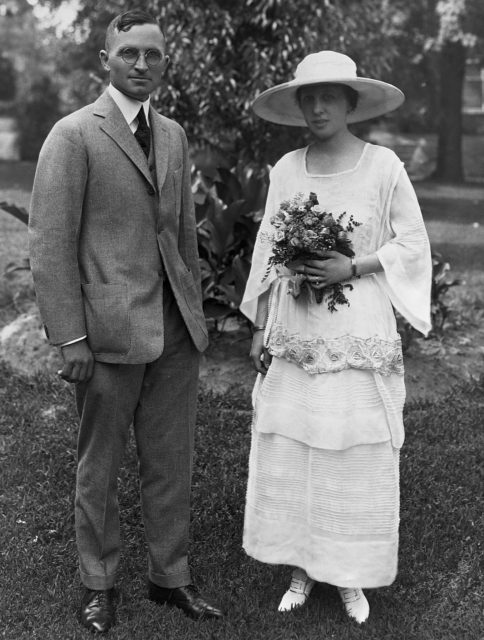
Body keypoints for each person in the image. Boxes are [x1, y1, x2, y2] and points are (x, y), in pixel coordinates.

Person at [28, 9, 223, 633]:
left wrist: (194, 314)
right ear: (105, 62)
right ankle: (100, 583)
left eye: (153, 55)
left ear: (165, 63)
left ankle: (171, 578)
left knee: (171, 461)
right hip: (107, 333)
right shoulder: (73, 135)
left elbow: (184, 236)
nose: (142, 65)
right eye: (129, 54)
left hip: (172, 329)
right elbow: (51, 244)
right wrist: (71, 337)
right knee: (101, 464)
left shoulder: (173, 134)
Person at [240, 51, 432, 624]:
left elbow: (414, 242)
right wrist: (259, 326)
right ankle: (301, 568)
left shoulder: (383, 166)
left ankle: (349, 574)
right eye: (309, 96)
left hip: (356, 327)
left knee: (351, 444)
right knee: (299, 441)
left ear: (351, 102)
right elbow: (268, 255)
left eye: (330, 96)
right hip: (297, 328)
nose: (319, 106)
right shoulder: (286, 170)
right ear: (298, 104)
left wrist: (355, 266)